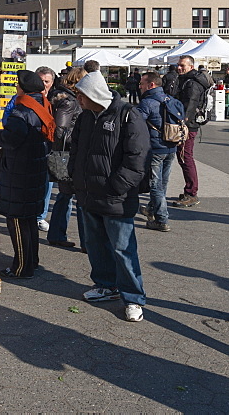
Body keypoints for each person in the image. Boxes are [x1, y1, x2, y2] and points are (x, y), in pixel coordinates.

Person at [69, 71, 150, 322]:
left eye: (81, 95)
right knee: (95, 244)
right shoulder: (85, 118)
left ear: (93, 94)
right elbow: (76, 149)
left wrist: (117, 186)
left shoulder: (128, 115)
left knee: (123, 249)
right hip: (88, 193)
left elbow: (138, 158)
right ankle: (106, 285)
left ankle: (133, 298)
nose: (78, 100)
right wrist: (74, 178)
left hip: (116, 196)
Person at [0, 70, 54, 278]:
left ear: (23, 88)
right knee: (28, 220)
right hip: (35, 168)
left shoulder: (22, 109)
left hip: (20, 170)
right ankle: (31, 261)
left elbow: (12, 138)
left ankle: (21, 267)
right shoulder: (43, 104)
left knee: (17, 220)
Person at [135, 72, 183, 232]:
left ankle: (161, 219)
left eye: (142, 83)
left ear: (151, 85)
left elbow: (136, 124)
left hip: (155, 148)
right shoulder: (172, 100)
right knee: (163, 182)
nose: (140, 86)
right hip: (171, 146)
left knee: (155, 184)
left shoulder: (147, 102)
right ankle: (151, 208)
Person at [44, 66, 86, 250]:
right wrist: (81, 137)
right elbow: (60, 131)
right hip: (69, 155)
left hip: (68, 154)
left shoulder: (64, 97)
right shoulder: (68, 101)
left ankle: (57, 234)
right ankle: (88, 242)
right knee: (80, 198)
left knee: (65, 196)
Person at [172, 55, 213, 207]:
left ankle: (191, 193)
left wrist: (183, 124)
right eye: (178, 65)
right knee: (184, 157)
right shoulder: (189, 80)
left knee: (185, 157)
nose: (179, 67)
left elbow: (189, 105)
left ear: (191, 66)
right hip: (190, 124)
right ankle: (190, 190)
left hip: (188, 126)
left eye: (182, 65)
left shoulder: (192, 83)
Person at [34, 66, 60, 232]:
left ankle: (40, 217)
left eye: (47, 81)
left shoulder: (56, 99)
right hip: (31, 147)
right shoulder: (26, 97)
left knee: (47, 183)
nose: (44, 85)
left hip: (49, 147)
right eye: (41, 81)